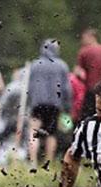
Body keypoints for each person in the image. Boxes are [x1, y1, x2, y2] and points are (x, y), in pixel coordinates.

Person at [27, 39, 72, 167]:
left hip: (37, 102)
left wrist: (31, 101)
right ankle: (48, 162)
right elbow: (66, 88)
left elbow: (29, 87)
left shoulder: (35, 65)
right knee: (51, 133)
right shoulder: (62, 65)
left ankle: (33, 162)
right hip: (54, 103)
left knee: (33, 131)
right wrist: (67, 105)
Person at [76, 28, 101, 118]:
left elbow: (79, 72)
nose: (82, 41)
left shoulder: (84, 51)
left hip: (91, 90)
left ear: (92, 37)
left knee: (87, 118)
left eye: (84, 38)